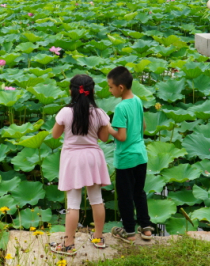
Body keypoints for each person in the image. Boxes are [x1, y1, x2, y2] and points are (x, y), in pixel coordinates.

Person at [50, 74, 111, 255]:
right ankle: (98, 238)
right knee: (97, 199)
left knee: (73, 204)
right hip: (93, 157)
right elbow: (104, 138)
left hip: (73, 159)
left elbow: (55, 135)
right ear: (93, 91)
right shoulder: (100, 113)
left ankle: (68, 244)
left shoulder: (66, 112)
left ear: (71, 91)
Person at [106, 66, 155, 242]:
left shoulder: (120, 108)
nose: (109, 90)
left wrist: (107, 127)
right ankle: (146, 228)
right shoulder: (137, 100)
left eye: (110, 87)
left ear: (120, 88)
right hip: (140, 155)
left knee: (125, 197)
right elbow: (143, 127)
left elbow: (121, 136)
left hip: (126, 158)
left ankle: (129, 232)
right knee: (139, 192)